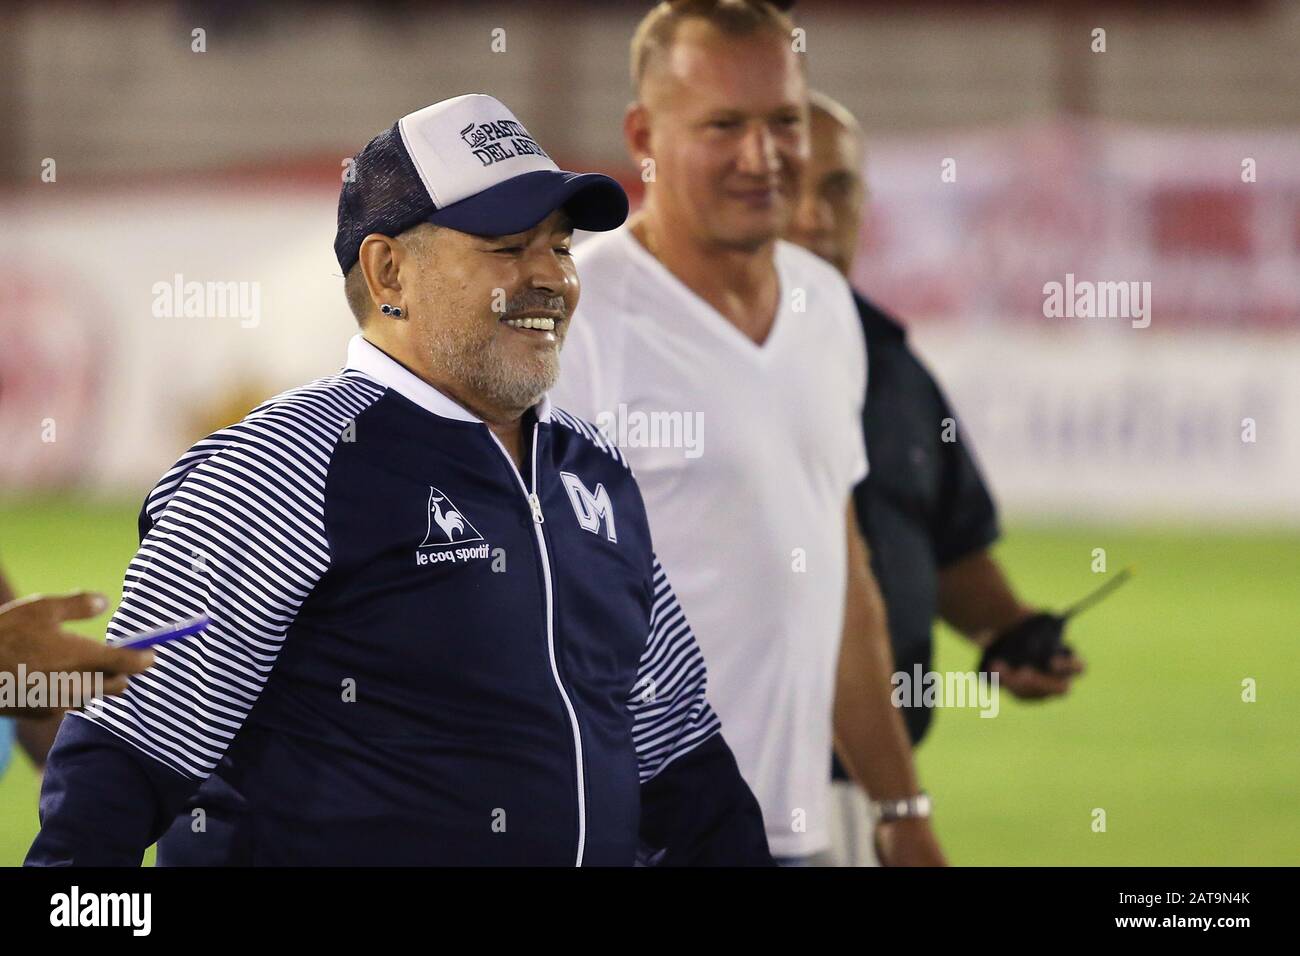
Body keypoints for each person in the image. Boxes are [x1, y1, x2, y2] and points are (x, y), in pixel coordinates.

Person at [27, 93, 771, 867]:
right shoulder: (276, 468)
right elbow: (125, 760)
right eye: (509, 248)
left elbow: (681, 762)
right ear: (389, 272)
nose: (551, 278)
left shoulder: (596, 472)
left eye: (561, 247)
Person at [551, 0, 944, 865]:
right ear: (643, 134)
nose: (764, 157)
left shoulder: (826, 302)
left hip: (794, 837)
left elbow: (842, 585)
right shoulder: (576, 315)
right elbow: (527, 611)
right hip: (637, 839)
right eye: (724, 124)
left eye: (785, 122)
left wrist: (899, 803)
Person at [786, 92, 1086, 866]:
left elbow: (946, 541)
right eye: (791, 186)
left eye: (839, 190)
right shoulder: (686, 361)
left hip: (867, 793)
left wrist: (1008, 629)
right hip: (733, 785)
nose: (816, 219)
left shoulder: (897, 368)